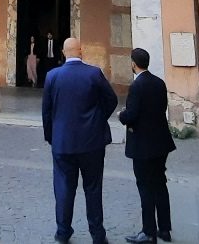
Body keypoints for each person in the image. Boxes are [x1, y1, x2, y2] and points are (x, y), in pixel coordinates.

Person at [41, 37, 117, 244]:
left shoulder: (52, 76)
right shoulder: (93, 74)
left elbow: (46, 112)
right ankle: (98, 235)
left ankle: (63, 233)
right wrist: (97, 119)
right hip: (92, 142)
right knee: (93, 188)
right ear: (81, 51)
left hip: (62, 142)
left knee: (64, 188)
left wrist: (51, 136)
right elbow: (112, 100)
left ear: (64, 52)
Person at [119, 47, 176, 243]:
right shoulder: (159, 83)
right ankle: (165, 229)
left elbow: (132, 114)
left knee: (145, 187)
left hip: (142, 145)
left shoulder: (137, 86)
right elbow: (162, 108)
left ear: (134, 63)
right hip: (161, 142)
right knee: (160, 184)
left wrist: (121, 116)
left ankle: (148, 231)